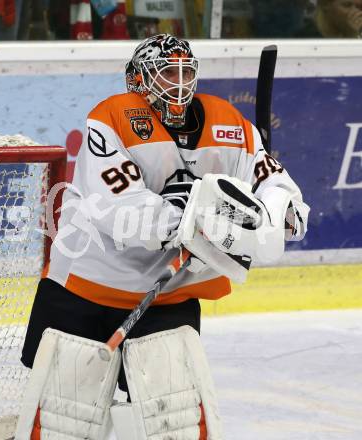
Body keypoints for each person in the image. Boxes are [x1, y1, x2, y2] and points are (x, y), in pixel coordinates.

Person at [17, 34, 309, 439]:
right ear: (138, 80)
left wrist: (275, 217)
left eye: (185, 71)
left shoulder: (229, 124)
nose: (178, 82)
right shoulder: (112, 118)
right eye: (166, 72)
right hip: (83, 289)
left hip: (168, 297)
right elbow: (123, 213)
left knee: (177, 423)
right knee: (62, 423)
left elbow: (274, 183)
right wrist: (206, 222)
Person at [297, 0, 362, 38]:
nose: (356, 12)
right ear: (326, 5)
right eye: (347, 5)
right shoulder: (306, 37)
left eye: (359, 6)